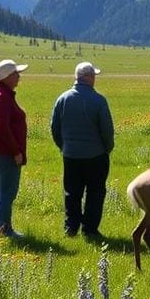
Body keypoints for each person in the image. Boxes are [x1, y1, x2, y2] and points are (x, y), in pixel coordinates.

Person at [51, 61, 114, 240]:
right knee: (95, 192)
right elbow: (107, 131)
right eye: (94, 76)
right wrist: (106, 149)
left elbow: (54, 128)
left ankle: (71, 228)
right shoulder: (99, 100)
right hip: (96, 155)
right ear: (90, 78)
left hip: (70, 154)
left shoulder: (62, 98)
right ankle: (90, 229)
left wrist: (63, 146)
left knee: (72, 192)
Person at [0, 59, 28, 238]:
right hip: (5, 153)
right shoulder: (2, 97)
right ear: (8, 76)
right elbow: (3, 128)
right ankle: (4, 229)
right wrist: (16, 151)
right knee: (7, 192)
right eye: (16, 74)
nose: (19, 77)